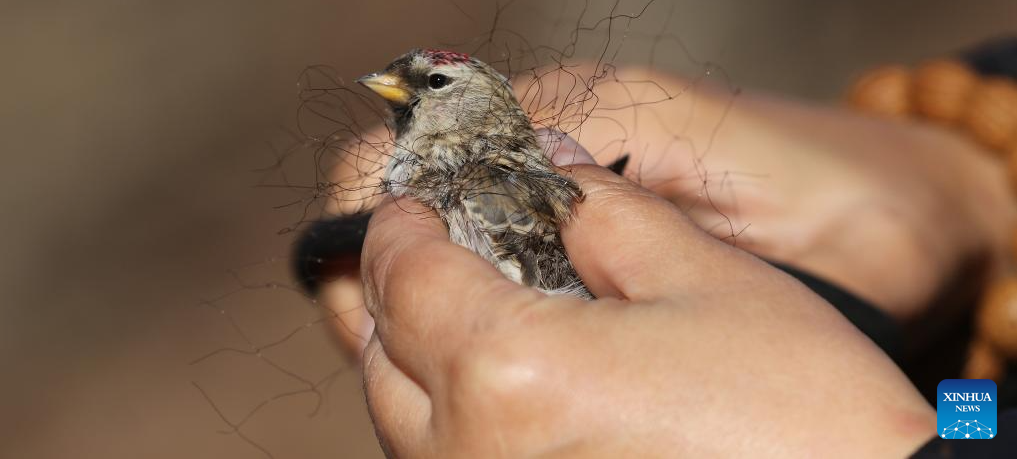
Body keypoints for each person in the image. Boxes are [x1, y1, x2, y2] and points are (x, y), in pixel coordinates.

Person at [312, 61, 1016, 457]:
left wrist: (867, 445)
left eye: (433, 83)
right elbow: (981, 424)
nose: (392, 87)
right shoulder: (970, 402)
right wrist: (975, 194)